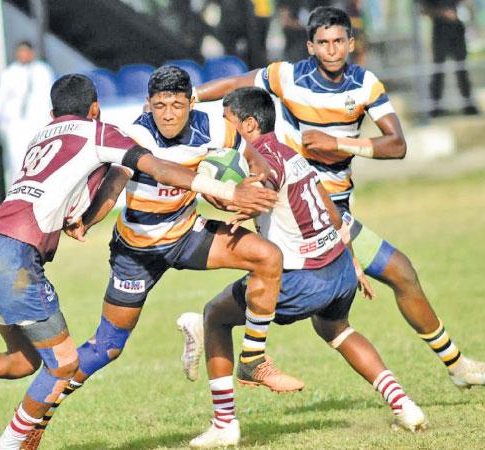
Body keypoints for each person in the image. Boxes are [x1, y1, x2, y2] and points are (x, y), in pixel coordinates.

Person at [0, 74, 278, 450]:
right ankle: (17, 439)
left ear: (53, 113)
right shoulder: (101, 131)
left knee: (22, 363)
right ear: (97, 109)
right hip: (22, 256)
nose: (168, 113)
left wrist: (84, 216)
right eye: (160, 104)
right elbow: (146, 167)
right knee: (64, 363)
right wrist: (224, 189)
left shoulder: (43, 134)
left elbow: (76, 183)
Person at [191, 6, 485, 389]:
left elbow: (396, 145)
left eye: (339, 41)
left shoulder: (365, 84)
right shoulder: (288, 76)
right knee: (384, 281)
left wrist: (339, 143)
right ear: (310, 46)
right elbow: (239, 82)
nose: (331, 50)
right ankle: (455, 368)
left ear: (351, 43)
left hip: (334, 209)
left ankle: (455, 369)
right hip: (301, 212)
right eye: (323, 43)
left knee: (368, 298)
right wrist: (191, 97)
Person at [18, 66, 302, 450]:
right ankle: (40, 415)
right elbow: (114, 185)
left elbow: (257, 163)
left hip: (187, 234)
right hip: (136, 252)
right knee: (107, 347)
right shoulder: (135, 135)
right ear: (148, 105)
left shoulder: (217, 128)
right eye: (159, 105)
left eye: (177, 105)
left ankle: (252, 360)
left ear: (190, 103)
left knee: (268, 257)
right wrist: (87, 219)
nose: (168, 113)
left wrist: (255, 190)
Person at [180, 87, 427, 448]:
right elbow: (328, 203)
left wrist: (222, 195)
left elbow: (259, 188)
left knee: (215, 315)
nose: (223, 128)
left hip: (303, 278)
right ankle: (405, 406)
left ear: (248, 125)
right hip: (338, 267)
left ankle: (224, 425)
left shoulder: (259, 157)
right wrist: (352, 258)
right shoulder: (289, 153)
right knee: (336, 329)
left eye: (227, 121)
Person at [0, 41, 56, 192]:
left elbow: (50, 97)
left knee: (44, 160)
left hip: (39, 123)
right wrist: (5, 124)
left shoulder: (43, 71)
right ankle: (16, 194)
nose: (23, 55)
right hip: (17, 124)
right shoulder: (9, 73)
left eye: (25, 51)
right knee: (17, 162)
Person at [419, 0, 479, 116]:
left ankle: (469, 106)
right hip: (439, 33)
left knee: (462, 70)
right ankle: (435, 108)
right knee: (438, 71)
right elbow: (422, 10)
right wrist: (443, 13)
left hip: (457, 32)